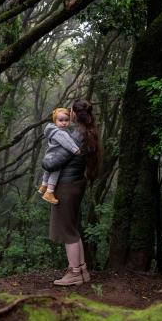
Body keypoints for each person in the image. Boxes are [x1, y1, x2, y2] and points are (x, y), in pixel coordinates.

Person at [42, 99, 101, 286]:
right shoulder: (86, 132)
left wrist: (46, 158)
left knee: (68, 232)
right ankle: (82, 269)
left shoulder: (75, 135)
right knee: (73, 228)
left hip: (67, 186)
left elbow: (50, 163)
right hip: (76, 183)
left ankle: (74, 272)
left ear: (74, 114)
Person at [38, 107, 81, 205]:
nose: (64, 123)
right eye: (61, 120)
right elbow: (68, 143)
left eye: (66, 120)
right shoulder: (60, 133)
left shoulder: (53, 130)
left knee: (48, 171)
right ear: (55, 121)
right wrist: (76, 150)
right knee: (55, 171)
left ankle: (44, 185)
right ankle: (49, 192)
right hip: (56, 156)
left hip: (49, 155)